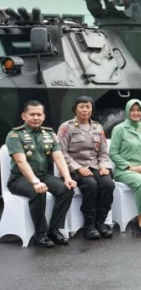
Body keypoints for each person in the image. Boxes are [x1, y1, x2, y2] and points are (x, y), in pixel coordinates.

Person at [5, 101, 76, 247]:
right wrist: (35, 182)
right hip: (19, 178)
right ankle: (40, 233)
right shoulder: (15, 135)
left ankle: (54, 230)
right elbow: (21, 161)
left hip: (44, 175)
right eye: (32, 114)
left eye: (39, 114)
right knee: (38, 192)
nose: (36, 117)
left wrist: (68, 178)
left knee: (66, 189)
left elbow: (58, 157)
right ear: (24, 116)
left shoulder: (49, 133)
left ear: (43, 116)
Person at [58, 96, 114, 239]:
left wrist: (104, 166)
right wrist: (77, 168)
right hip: (74, 168)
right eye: (81, 106)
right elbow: (61, 153)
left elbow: (102, 151)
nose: (85, 110)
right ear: (75, 109)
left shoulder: (98, 127)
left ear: (92, 109)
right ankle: (89, 225)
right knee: (90, 185)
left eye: (88, 107)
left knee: (108, 184)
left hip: (95, 166)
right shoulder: (66, 127)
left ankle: (100, 222)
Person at [110, 99, 141, 234]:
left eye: (139, 110)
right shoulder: (120, 129)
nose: (136, 113)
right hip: (125, 170)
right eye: (133, 110)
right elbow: (113, 152)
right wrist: (129, 166)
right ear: (127, 111)